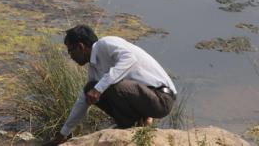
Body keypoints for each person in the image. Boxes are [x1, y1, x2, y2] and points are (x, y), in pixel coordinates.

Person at [44, 24, 176, 146]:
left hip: (161, 99)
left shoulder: (105, 43)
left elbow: (129, 59)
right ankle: (133, 123)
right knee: (90, 89)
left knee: (110, 86)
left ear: (81, 47)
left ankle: (136, 122)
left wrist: (99, 88)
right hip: (145, 98)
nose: (70, 56)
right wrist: (62, 134)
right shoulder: (94, 68)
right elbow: (83, 101)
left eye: (70, 51)